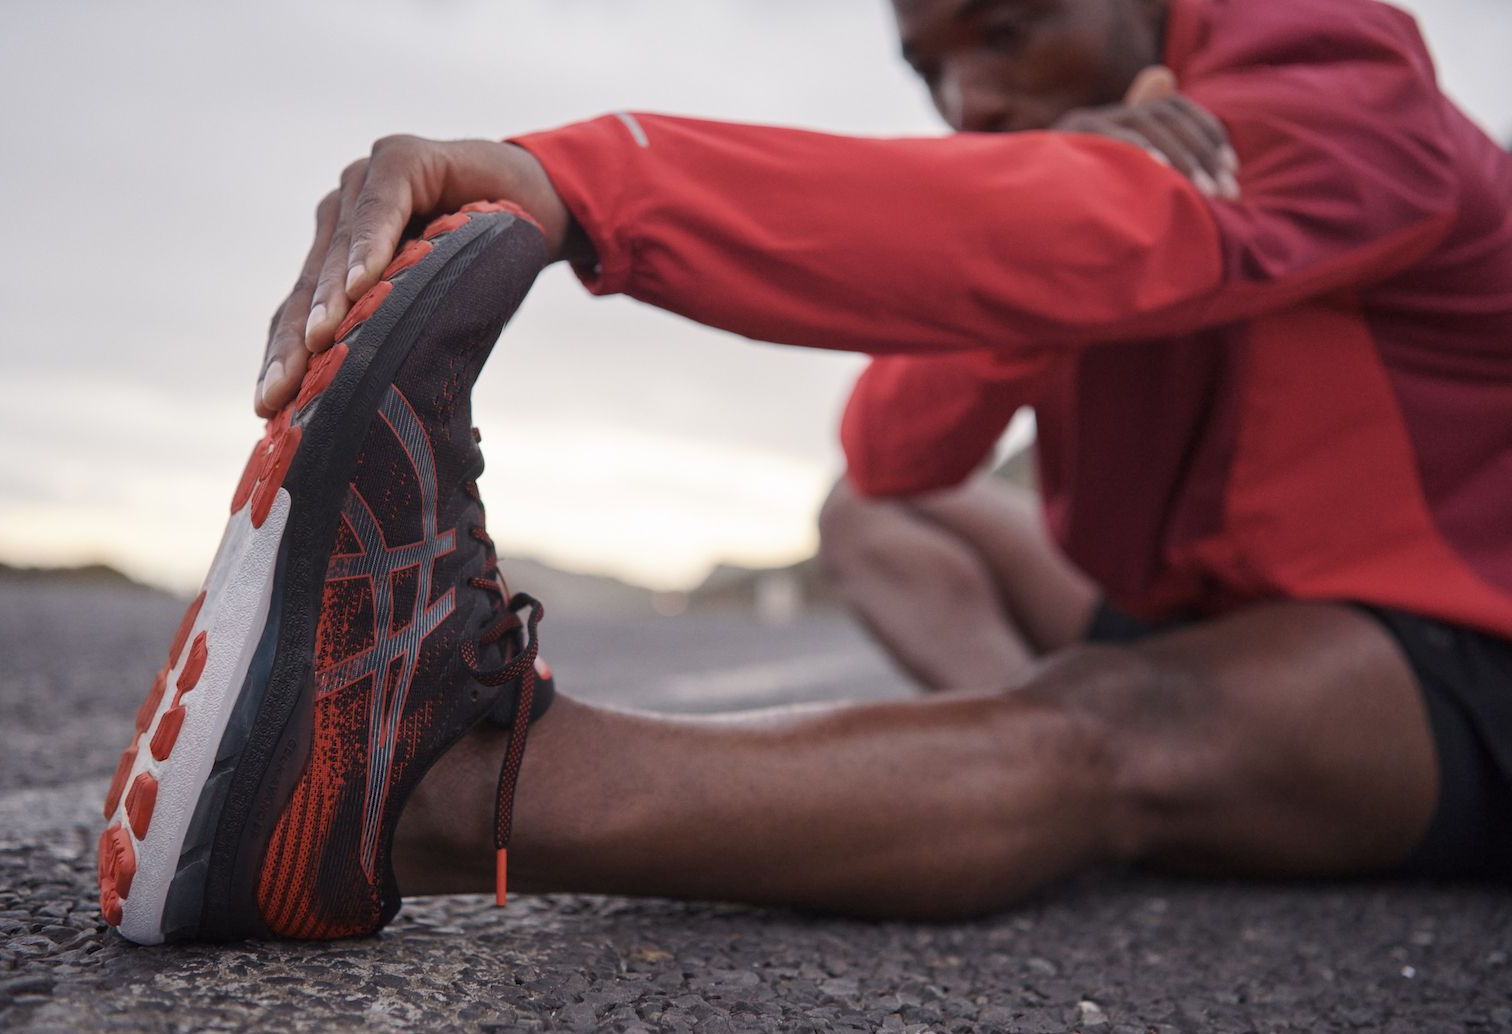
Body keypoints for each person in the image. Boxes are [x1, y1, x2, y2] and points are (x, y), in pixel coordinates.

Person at [99, 0, 1512, 943]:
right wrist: (1046, 232)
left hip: (1447, 646)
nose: (973, 94)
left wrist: (575, 180)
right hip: (1216, 608)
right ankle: (991, 766)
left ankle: (429, 802)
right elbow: (900, 451)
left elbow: (1126, 229)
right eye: (929, 66)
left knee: (1119, 719)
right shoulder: (1088, 166)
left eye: (1008, 24)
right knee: (873, 515)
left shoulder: (1359, 103)